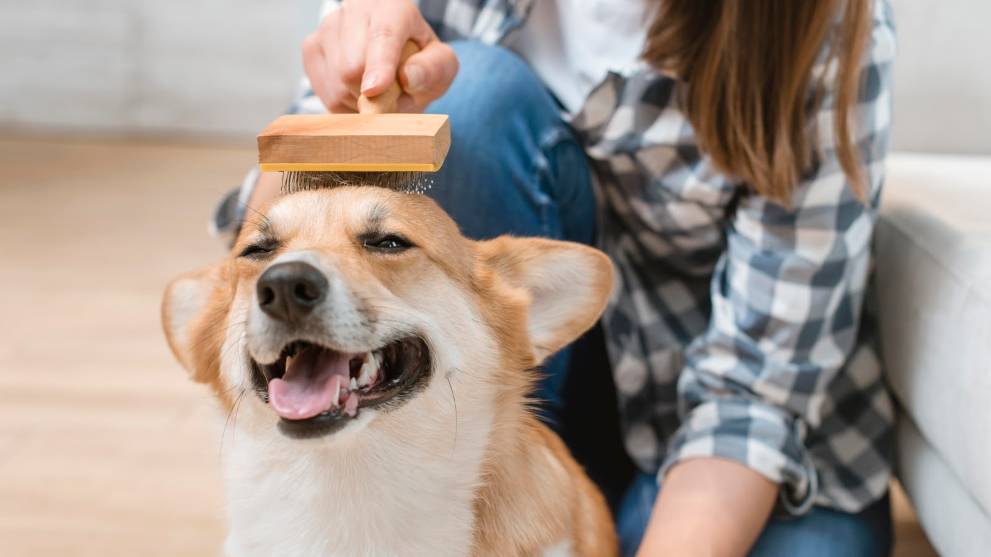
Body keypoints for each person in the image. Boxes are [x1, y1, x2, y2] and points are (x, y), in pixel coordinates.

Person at [215, 1, 897, 555]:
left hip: (715, 446)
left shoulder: (823, 25)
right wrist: (338, 122)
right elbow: (255, 266)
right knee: (472, 99)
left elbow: (755, 393)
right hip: (482, 435)